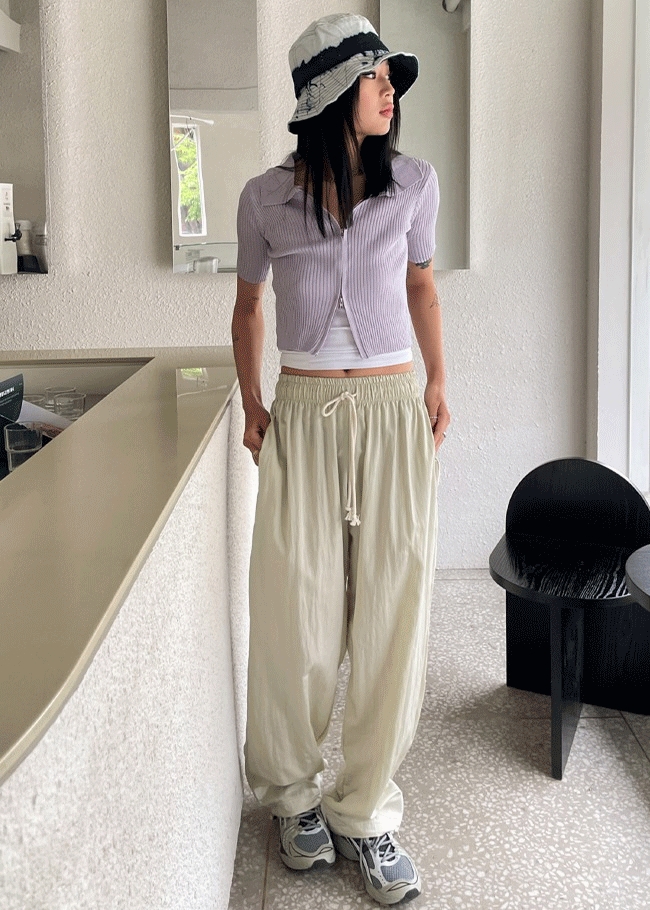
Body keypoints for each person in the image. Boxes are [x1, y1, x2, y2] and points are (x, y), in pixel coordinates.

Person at [232, 12, 450, 906]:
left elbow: (422, 285)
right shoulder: (264, 200)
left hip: (395, 411)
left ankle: (366, 809)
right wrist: (254, 402)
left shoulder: (415, 184)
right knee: (298, 608)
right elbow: (248, 307)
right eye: (375, 79)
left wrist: (439, 382)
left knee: (396, 606)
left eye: (391, 79)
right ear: (330, 96)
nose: (391, 92)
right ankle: (292, 794)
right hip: (305, 411)